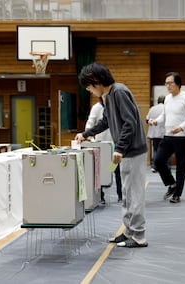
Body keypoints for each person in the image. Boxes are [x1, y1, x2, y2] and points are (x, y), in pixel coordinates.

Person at [75, 62, 148, 248]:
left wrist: (120, 148)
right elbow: (106, 121)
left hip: (132, 151)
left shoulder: (119, 92)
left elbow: (129, 123)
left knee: (134, 193)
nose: (89, 90)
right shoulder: (107, 97)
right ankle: (129, 231)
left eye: (89, 86)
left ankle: (139, 235)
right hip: (125, 152)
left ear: (96, 81)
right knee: (126, 193)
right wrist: (86, 134)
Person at [148, 72, 185, 204]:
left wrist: (181, 127)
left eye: (170, 83)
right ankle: (171, 183)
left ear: (178, 84)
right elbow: (164, 115)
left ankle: (177, 194)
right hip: (168, 136)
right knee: (158, 161)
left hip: (182, 137)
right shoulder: (167, 99)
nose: (168, 85)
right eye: (166, 83)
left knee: (180, 167)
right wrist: (156, 121)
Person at [85, 100, 123, 203]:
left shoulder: (115, 106)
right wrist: (88, 134)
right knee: (100, 171)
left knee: (116, 170)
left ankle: (120, 195)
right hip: (100, 145)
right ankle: (101, 195)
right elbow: (90, 123)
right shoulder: (97, 107)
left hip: (114, 145)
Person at [145, 95, 167, 173]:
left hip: (154, 133)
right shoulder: (166, 108)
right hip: (164, 133)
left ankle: (154, 166)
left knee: (155, 149)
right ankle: (164, 166)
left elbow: (147, 120)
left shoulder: (152, 108)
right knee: (165, 150)